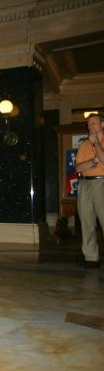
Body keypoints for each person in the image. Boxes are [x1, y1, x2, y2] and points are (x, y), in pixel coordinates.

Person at [75, 113, 104, 269]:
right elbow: (79, 168)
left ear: (102, 124)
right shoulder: (83, 145)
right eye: (88, 124)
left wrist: (97, 145)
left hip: (102, 182)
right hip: (85, 184)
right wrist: (93, 161)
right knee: (86, 221)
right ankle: (91, 258)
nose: (90, 126)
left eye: (93, 123)